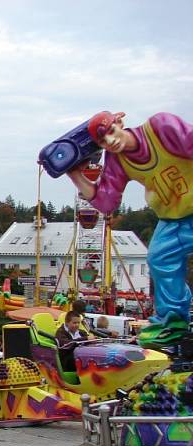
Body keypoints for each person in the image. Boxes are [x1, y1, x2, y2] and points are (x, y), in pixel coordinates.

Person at [67, 111, 193, 346]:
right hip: (173, 218)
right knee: (159, 259)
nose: (111, 142)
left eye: (112, 132)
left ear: (120, 123)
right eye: (103, 141)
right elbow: (107, 202)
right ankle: (173, 320)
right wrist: (75, 174)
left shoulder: (159, 128)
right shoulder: (117, 159)